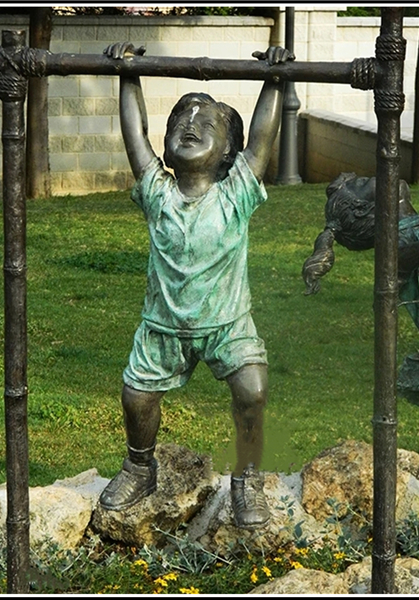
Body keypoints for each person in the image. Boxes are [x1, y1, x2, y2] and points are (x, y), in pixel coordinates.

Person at [98, 42, 294, 529]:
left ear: (228, 151)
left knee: (252, 388)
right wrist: (128, 74)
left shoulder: (236, 194)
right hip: (162, 327)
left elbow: (263, 139)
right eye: (180, 121)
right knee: (136, 396)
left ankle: (246, 477)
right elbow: (134, 135)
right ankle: (139, 466)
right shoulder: (157, 193)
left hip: (228, 325)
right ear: (166, 145)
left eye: (206, 123)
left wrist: (273, 79)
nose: (190, 125)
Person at [302, 172, 419, 406]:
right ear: (361, 209)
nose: (372, 176)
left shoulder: (412, 228)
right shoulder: (396, 245)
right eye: (361, 183)